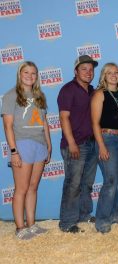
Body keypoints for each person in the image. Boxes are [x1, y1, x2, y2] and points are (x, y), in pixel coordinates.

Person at [1, 61, 52, 240]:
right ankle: (19, 228)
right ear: (19, 74)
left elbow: (44, 121)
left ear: (37, 76)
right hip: (22, 144)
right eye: (26, 72)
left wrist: (48, 143)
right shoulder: (11, 95)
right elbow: (7, 126)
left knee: (33, 187)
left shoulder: (40, 95)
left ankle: (31, 224)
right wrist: (14, 151)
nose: (30, 76)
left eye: (33, 73)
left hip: (39, 144)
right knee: (21, 188)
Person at [58, 55, 99, 233]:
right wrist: (71, 143)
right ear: (75, 71)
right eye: (84, 69)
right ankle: (67, 222)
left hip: (91, 143)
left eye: (91, 69)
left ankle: (83, 215)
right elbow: (64, 117)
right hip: (75, 144)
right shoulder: (68, 89)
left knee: (87, 184)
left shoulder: (93, 91)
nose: (88, 72)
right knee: (73, 184)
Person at [91, 63, 118, 233]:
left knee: (117, 181)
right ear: (104, 76)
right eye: (109, 73)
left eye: (116, 72)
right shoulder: (100, 94)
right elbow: (94, 123)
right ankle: (102, 220)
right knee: (110, 181)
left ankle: (115, 214)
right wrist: (101, 146)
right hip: (106, 138)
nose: (113, 75)